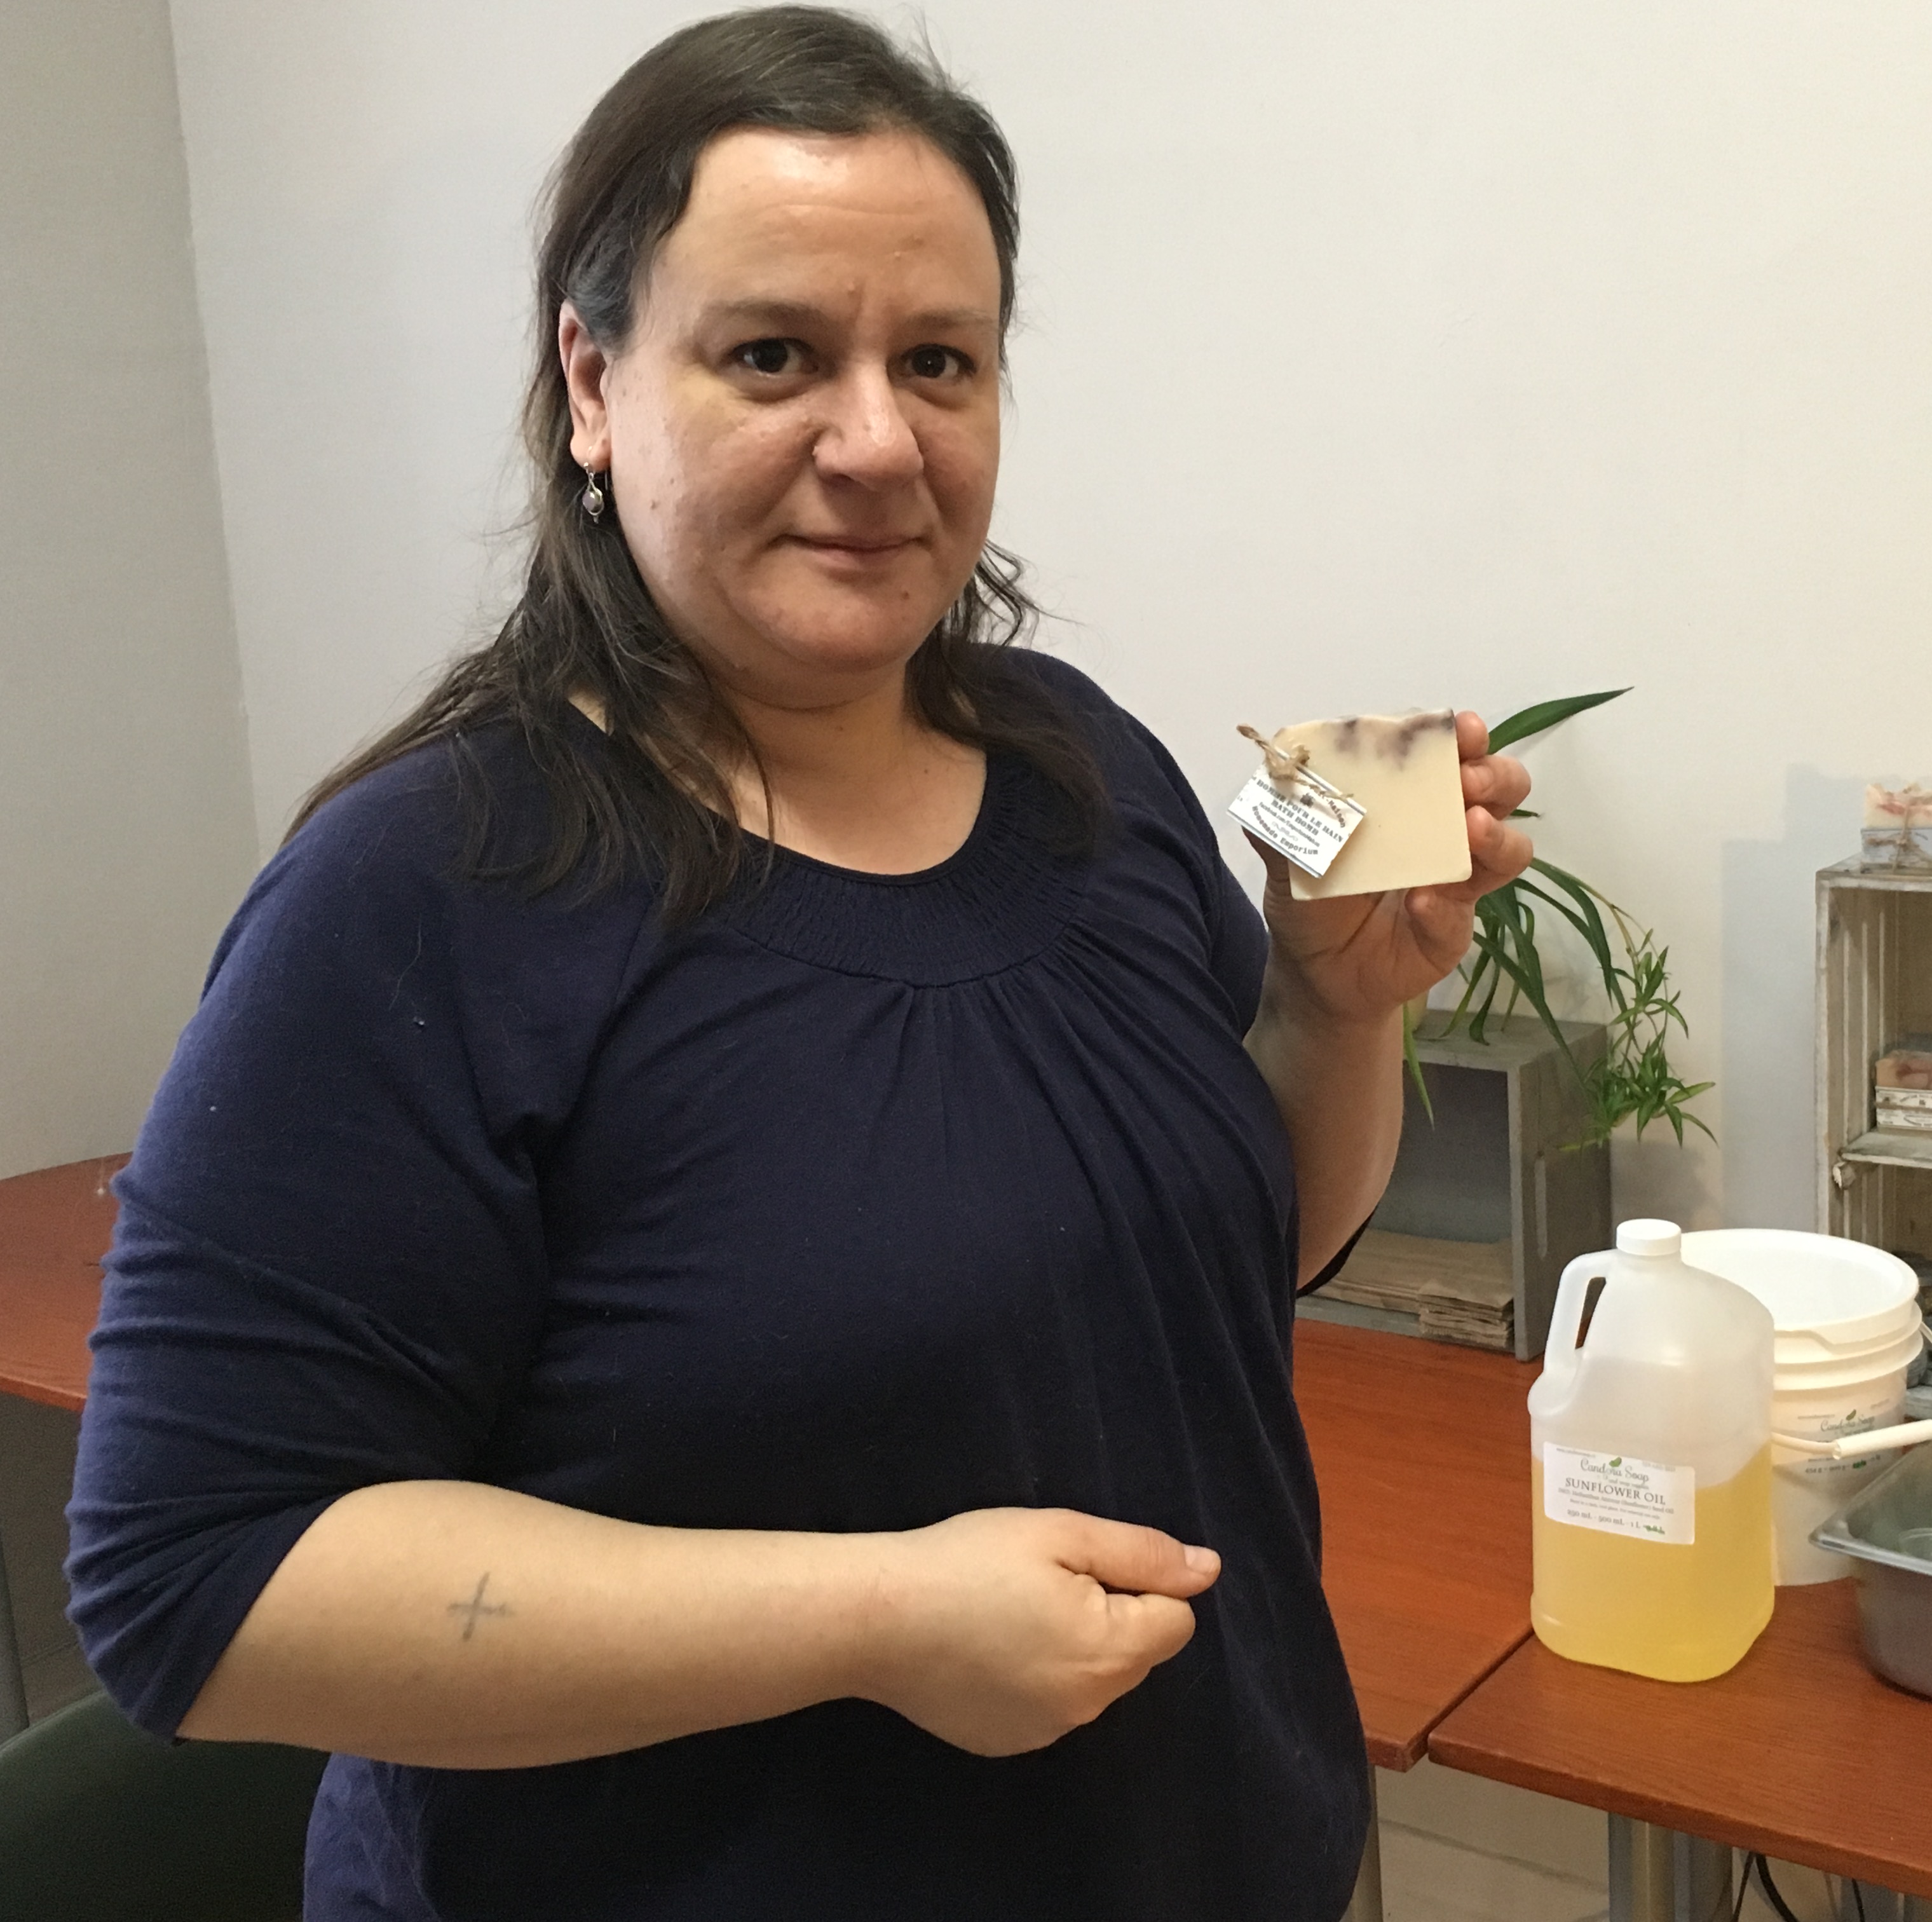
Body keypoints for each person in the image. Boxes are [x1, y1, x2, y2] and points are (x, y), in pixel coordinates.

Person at [65, 8, 1533, 1920]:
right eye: (773, 355)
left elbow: (1238, 1267)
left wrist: (1336, 1006)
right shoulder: (426, 889)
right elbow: (196, 1581)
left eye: (940, 361)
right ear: (592, 382)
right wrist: (876, 1617)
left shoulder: (1081, 767)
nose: (878, 442)